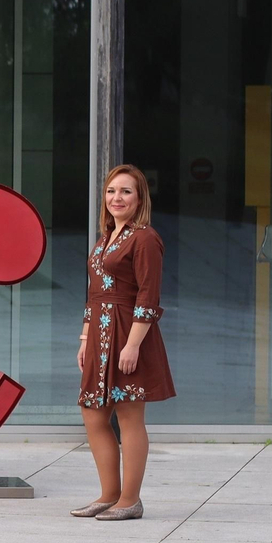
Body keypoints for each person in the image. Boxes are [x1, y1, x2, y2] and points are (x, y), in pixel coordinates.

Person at [73, 164, 173, 521]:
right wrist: (85, 339)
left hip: (130, 334)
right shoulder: (104, 239)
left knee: (130, 416)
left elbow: (148, 296)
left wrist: (132, 346)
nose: (117, 197)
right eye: (112, 191)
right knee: (92, 413)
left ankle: (130, 500)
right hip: (100, 336)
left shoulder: (145, 238)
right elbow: (94, 294)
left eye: (126, 191)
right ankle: (109, 494)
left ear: (140, 198)